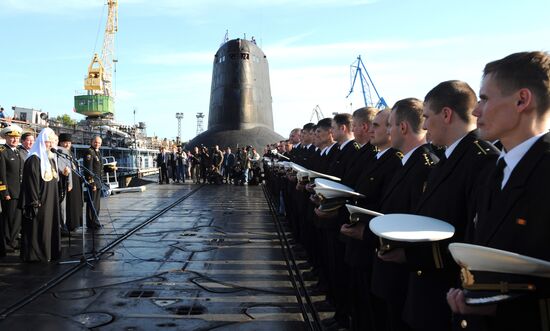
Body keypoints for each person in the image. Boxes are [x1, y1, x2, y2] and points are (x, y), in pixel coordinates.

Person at [447, 51, 550, 331]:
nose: (476, 111)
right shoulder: (495, 169)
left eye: (485, 99)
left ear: (522, 100)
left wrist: (498, 308)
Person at [388, 81, 498, 331]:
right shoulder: (448, 158)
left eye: (427, 117)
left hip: (448, 292)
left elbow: (471, 237)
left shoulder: (482, 160)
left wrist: (409, 254)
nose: (424, 125)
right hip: (427, 289)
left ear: (446, 114)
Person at [370, 98, 439, 331]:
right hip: (394, 271)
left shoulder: (425, 166)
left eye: (389, 125)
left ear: (403, 128)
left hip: (406, 275)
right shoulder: (409, 163)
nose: (388, 132)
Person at [19, 128, 61, 262]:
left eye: (51, 142)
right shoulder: (34, 159)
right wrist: (35, 201)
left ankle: (49, 252)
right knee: (39, 228)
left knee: (49, 227)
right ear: (42, 142)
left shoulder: (50, 158)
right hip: (40, 202)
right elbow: (31, 183)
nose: (50, 144)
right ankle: (37, 255)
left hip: (50, 201)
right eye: (47, 142)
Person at [0, 124, 24, 254]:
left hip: (19, 192)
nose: (15, 140)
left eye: (17, 137)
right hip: (10, 193)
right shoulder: (3, 153)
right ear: (6, 138)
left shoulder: (18, 152)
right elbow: (1, 175)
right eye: (12, 138)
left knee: (17, 220)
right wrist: (4, 192)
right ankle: (7, 243)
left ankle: (14, 241)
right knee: (8, 219)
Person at [58, 133, 83, 231]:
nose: (67, 145)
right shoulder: (59, 153)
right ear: (60, 143)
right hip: (66, 181)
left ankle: (75, 223)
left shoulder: (71, 153)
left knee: (75, 204)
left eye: (69, 143)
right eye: (65, 143)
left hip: (75, 181)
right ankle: (67, 224)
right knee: (67, 206)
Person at [84, 136, 103, 230]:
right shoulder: (90, 152)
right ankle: (91, 223)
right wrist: (92, 183)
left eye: (99, 143)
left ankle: (95, 221)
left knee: (96, 204)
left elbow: (98, 168)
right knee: (92, 203)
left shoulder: (97, 152)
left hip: (98, 182)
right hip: (93, 183)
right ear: (91, 142)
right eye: (95, 142)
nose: (97, 144)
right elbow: (89, 169)